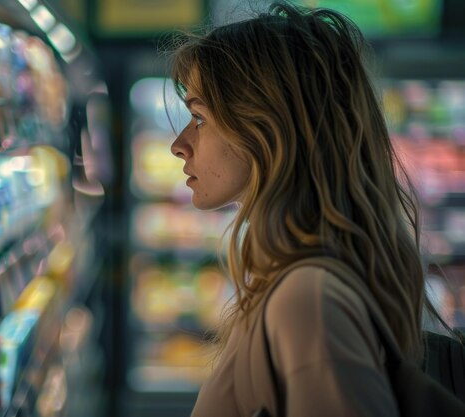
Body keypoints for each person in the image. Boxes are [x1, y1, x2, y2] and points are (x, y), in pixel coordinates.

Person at [168, 2, 449, 416]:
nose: (179, 144)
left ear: (267, 127)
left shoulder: (306, 299)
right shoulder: (301, 283)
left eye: (199, 117)